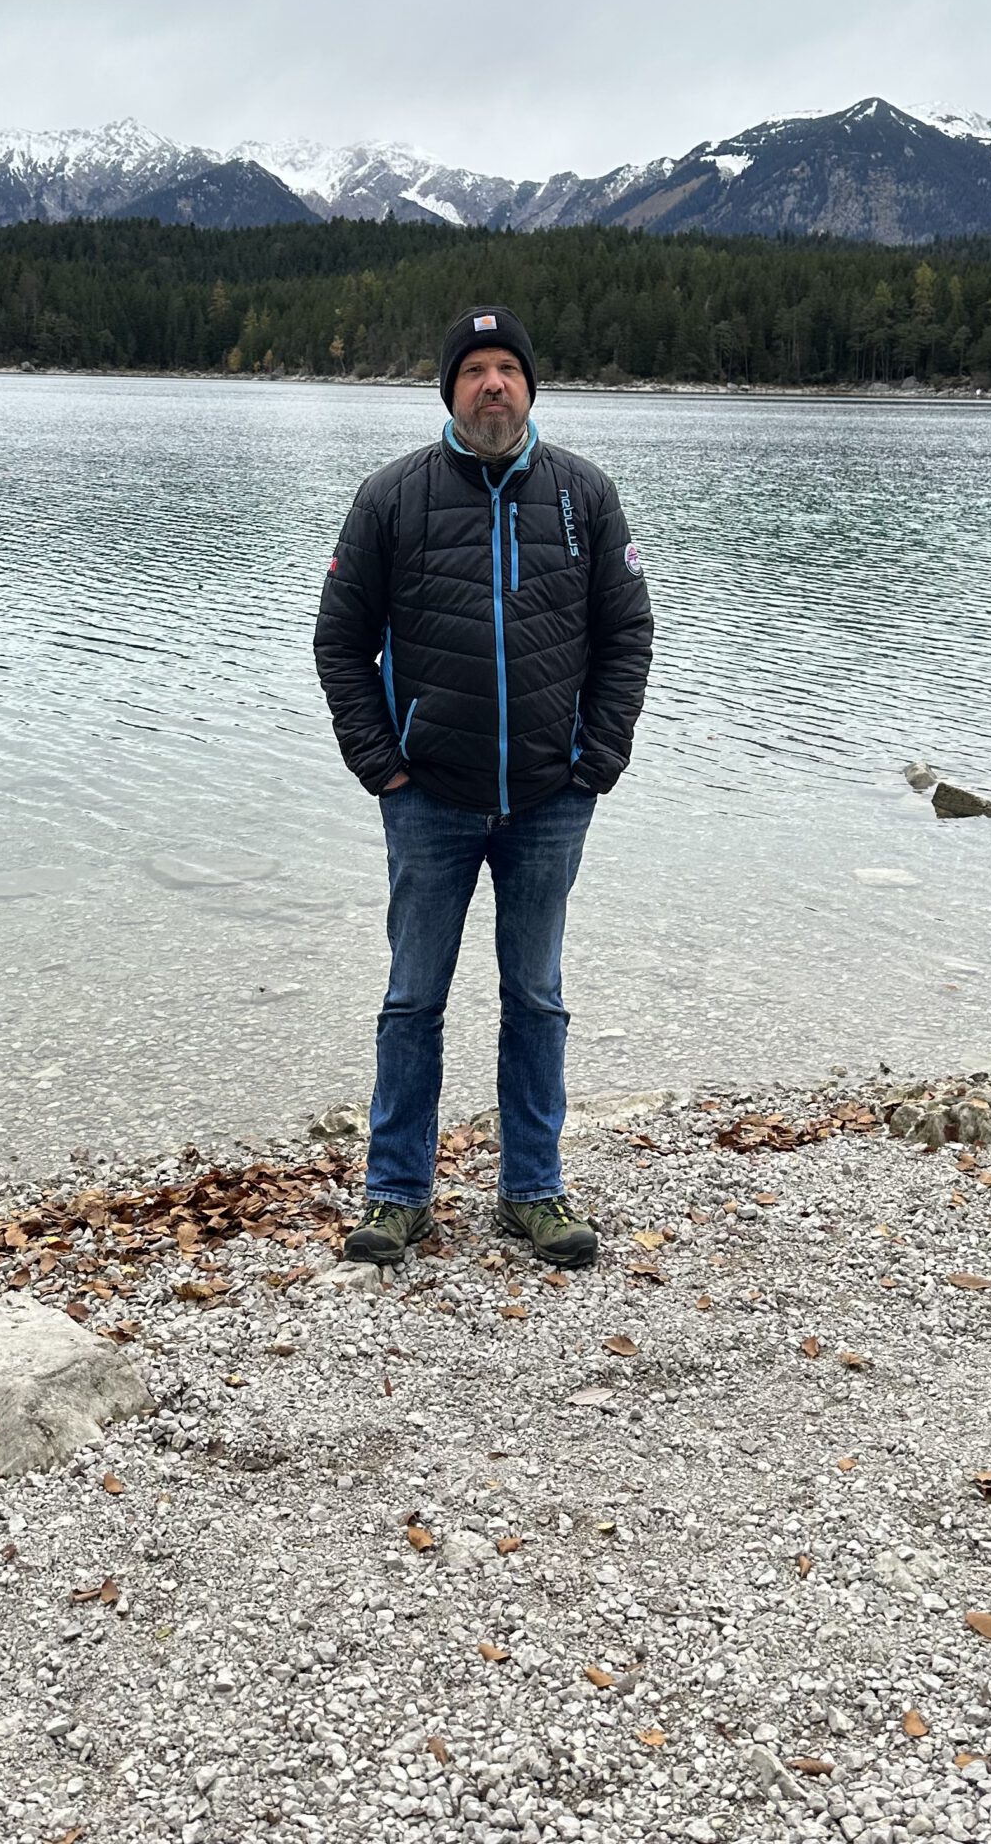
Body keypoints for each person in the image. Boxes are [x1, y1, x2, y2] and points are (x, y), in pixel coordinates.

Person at [313, 306, 653, 1269]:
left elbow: (628, 634)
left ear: (530, 388)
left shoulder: (584, 497)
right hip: (429, 797)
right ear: (450, 390)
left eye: (508, 369)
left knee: (535, 997)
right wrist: (380, 762)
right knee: (413, 998)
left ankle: (533, 1192)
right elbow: (341, 642)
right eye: (475, 371)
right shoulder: (393, 498)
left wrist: (600, 757)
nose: (492, 384)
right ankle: (396, 1194)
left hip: (551, 797)